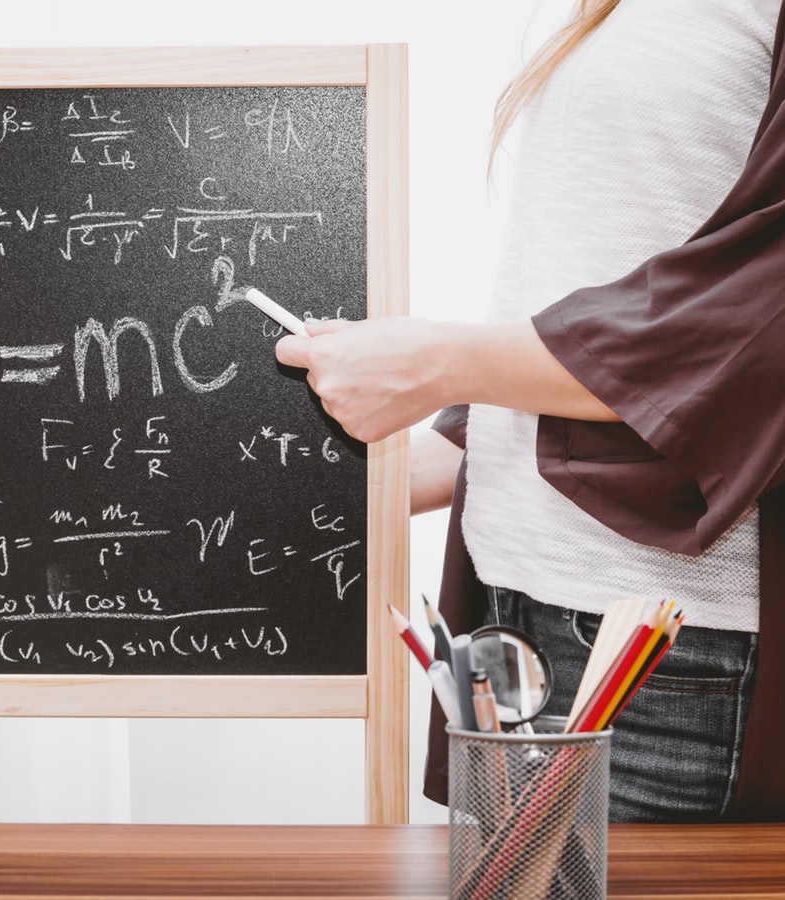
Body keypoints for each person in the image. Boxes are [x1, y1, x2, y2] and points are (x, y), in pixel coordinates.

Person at [276, 0, 785, 821]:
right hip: (511, 606)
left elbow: (753, 316)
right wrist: (416, 463)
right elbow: (592, 295)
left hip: (662, 650)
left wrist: (438, 362)